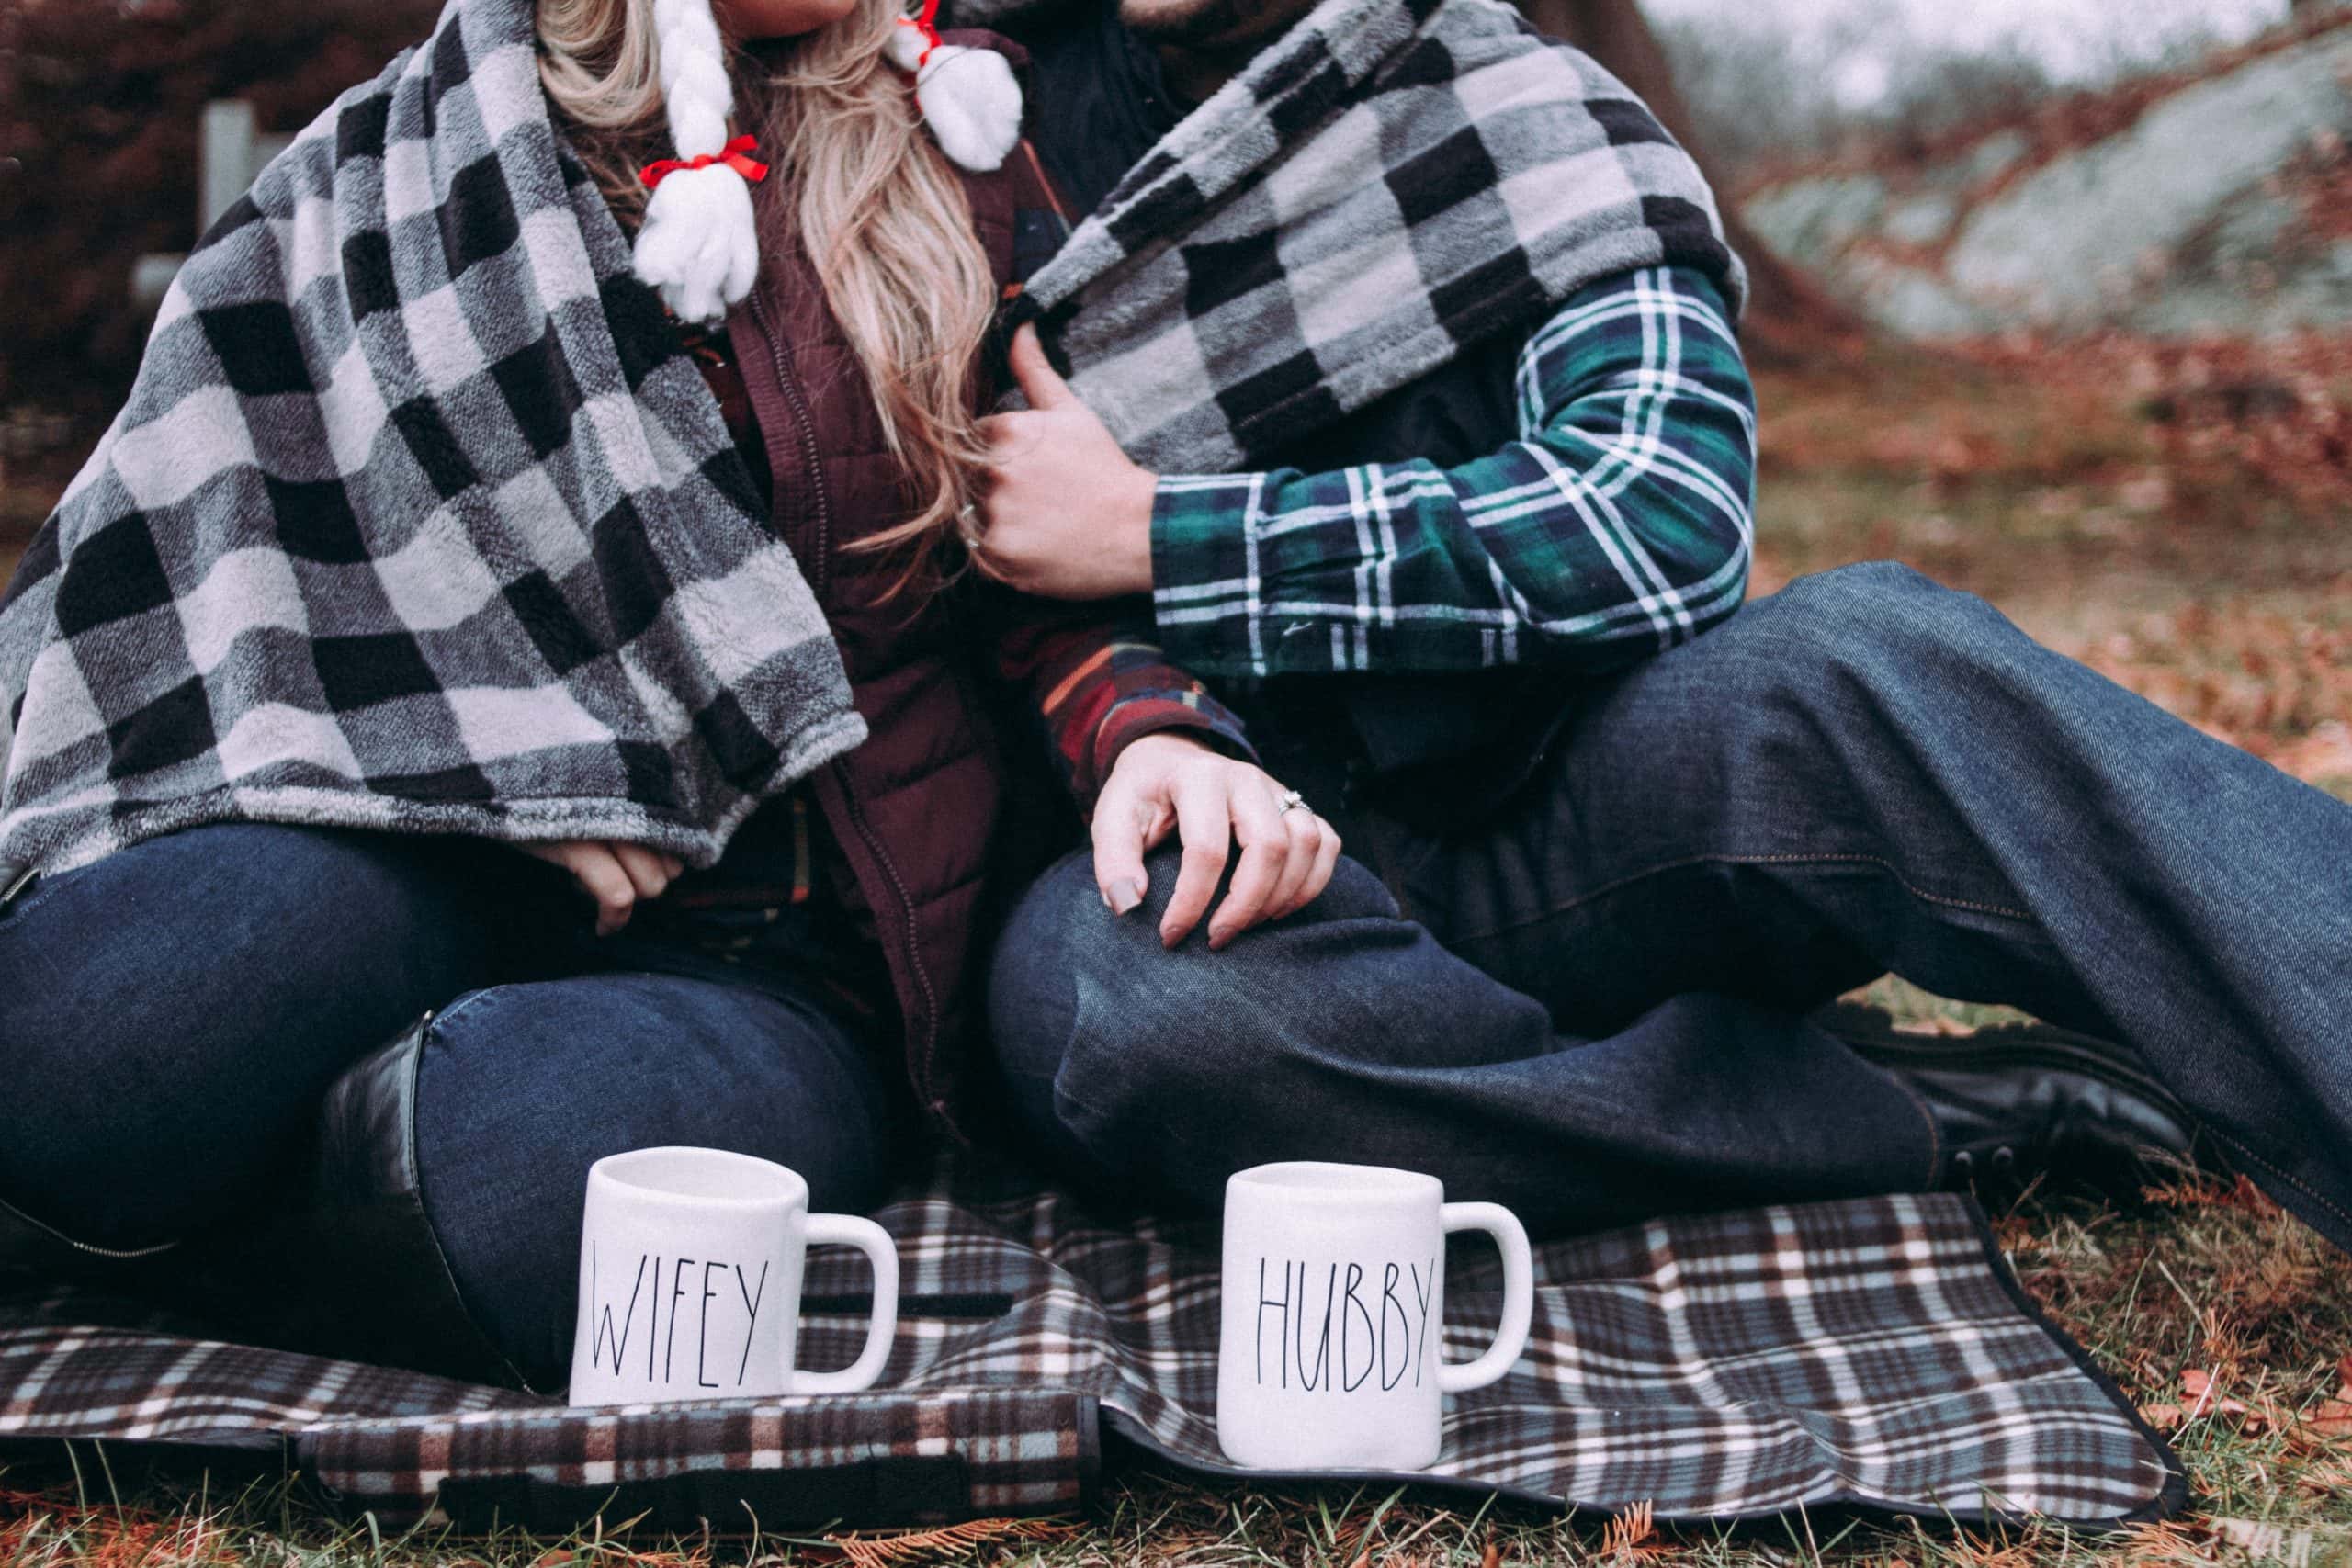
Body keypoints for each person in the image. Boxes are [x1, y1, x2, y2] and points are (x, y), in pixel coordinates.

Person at [0, 0, 1336, 1390]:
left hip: (772, 956)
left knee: (515, 1177)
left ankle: (234, 1199)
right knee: (81, 1039)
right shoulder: (416, 146)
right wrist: (494, 784)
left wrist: (1149, 728)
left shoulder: (970, 144)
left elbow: (1049, 553)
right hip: (428, 839)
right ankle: (255, 1164)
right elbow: (249, 549)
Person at [971, 0, 2352, 1252]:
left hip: (1572, 819)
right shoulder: (981, 134)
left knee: (1870, 660)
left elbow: (1658, 517)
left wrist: (1163, 533)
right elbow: (974, 578)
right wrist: (1157, 708)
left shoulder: (1522, 116)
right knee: (1118, 1018)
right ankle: (1889, 1117)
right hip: (1227, 879)